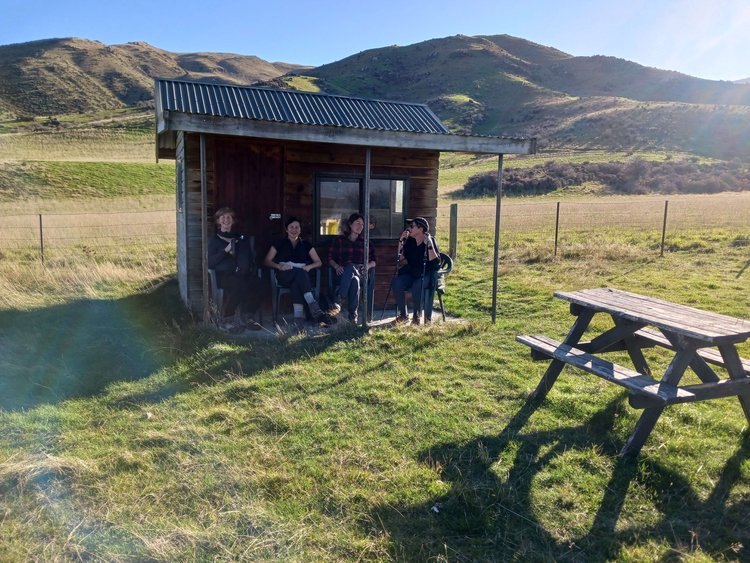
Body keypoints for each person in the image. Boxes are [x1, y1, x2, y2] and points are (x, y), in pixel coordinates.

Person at [264, 217, 334, 327]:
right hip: (284, 274)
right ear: (286, 229)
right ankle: (314, 307)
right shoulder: (279, 243)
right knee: (299, 274)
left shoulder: (306, 244)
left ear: (300, 230)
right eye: (291, 227)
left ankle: (298, 320)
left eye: (297, 227)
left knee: (297, 281)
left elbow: (318, 262)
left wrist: (309, 267)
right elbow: (267, 261)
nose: (294, 229)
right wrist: (278, 266)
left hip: (300, 275)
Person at [207, 207, 261, 331]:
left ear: (233, 221)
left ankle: (248, 316)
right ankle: (227, 319)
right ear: (218, 221)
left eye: (229, 217)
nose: (226, 220)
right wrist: (225, 251)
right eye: (223, 217)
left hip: (242, 273)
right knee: (239, 285)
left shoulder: (240, 238)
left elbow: (249, 256)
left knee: (259, 283)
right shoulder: (214, 240)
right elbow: (210, 263)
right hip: (224, 275)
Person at [328, 212, 376, 323]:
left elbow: (374, 261)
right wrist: (336, 266)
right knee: (354, 280)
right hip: (343, 273)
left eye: (362, 225)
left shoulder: (366, 242)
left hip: (361, 272)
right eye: (357, 223)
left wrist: (368, 265)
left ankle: (339, 300)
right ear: (350, 224)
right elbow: (330, 258)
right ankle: (353, 317)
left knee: (353, 271)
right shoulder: (339, 240)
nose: (360, 226)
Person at [391, 217, 440, 325]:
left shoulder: (431, 241)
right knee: (397, 282)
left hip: (427, 274)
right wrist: (401, 241)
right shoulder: (411, 242)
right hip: (413, 273)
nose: (409, 229)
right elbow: (401, 258)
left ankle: (416, 316)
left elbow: (436, 264)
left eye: (412, 226)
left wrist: (429, 245)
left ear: (421, 229)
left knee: (417, 285)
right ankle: (404, 315)